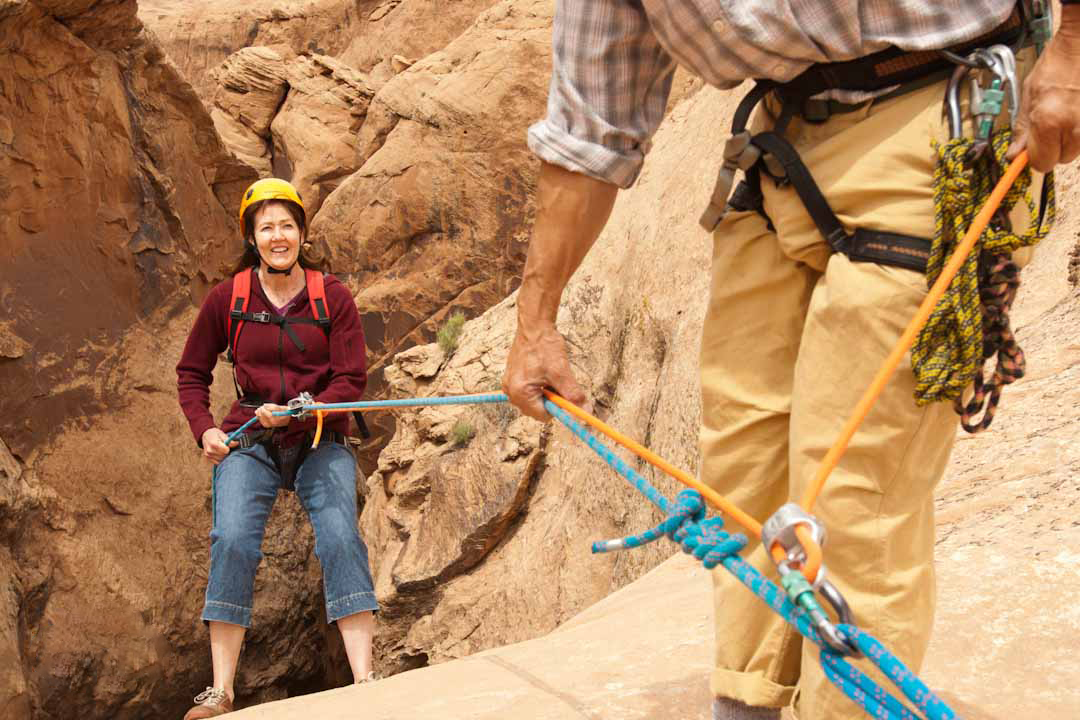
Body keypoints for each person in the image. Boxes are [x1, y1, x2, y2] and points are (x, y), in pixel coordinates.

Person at [503, 2, 1080, 719]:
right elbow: (589, 128)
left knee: (854, 494)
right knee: (743, 470)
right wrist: (536, 322)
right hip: (782, 139)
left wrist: (1074, 51)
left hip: (944, 108)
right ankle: (748, 704)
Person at [176, 178, 378, 719]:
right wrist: (205, 430)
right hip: (251, 437)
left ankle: (366, 680)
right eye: (266, 227)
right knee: (233, 539)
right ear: (252, 236)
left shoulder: (331, 297)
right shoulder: (230, 298)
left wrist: (305, 407)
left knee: (339, 534)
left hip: (319, 436)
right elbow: (191, 373)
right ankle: (221, 691)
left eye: (287, 225)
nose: (277, 236)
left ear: (302, 233)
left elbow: (350, 378)